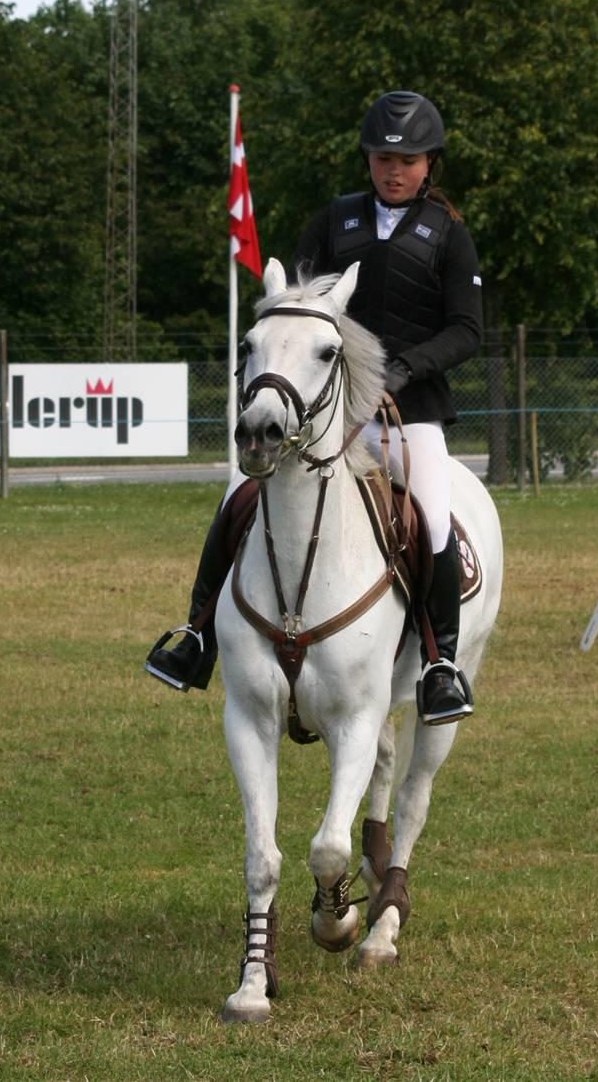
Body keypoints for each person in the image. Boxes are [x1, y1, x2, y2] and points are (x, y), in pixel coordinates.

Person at [145, 90, 483, 725]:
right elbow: (295, 306)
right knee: (238, 498)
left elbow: (467, 329)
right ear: (368, 160)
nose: (394, 169)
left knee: (433, 519)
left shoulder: (449, 236)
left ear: (429, 164)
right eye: (383, 157)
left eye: (408, 159)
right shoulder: (336, 220)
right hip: (324, 413)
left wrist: (402, 370)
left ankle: (440, 666)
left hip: (409, 415)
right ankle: (195, 637)